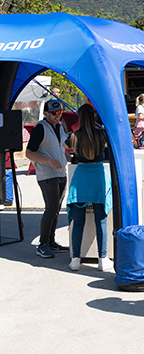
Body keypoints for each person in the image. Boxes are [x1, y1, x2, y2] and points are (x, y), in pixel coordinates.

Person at [66, 104, 112, 272]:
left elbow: (64, 146)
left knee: (78, 222)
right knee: (101, 220)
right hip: (98, 177)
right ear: (94, 117)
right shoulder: (101, 134)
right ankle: (102, 259)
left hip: (80, 179)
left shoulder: (73, 136)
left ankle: (75, 260)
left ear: (79, 117)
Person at [26, 99, 71, 258]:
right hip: (47, 175)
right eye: (54, 113)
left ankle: (51, 241)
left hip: (61, 173)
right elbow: (29, 153)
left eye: (60, 112)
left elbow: (60, 147)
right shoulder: (40, 128)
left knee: (56, 209)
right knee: (51, 209)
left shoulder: (59, 127)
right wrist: (49, 160)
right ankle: (43, 244)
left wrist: (70, 158)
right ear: (46, 113)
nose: (58, 115)